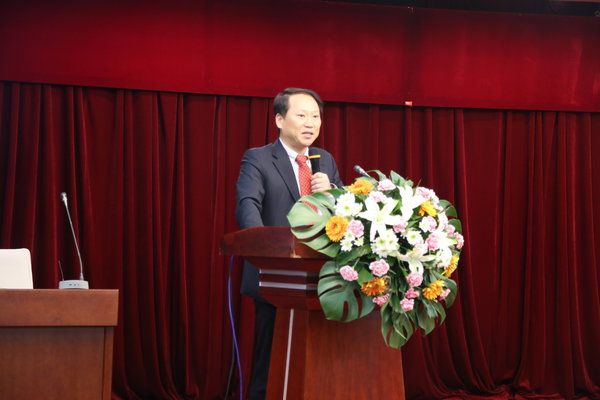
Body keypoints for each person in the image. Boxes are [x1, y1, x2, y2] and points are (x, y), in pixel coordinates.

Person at [235, 88, 343, 400]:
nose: (310, 122)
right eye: (302, 115)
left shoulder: (325, 160)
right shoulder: (258, 158)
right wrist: (262, 249)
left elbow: (343, 216)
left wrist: (333, 192)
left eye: (316, 116)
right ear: (280, 120)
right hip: (276, 276)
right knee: (270, 362)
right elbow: (247, 205)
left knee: (318, 360)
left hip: (323, 277)